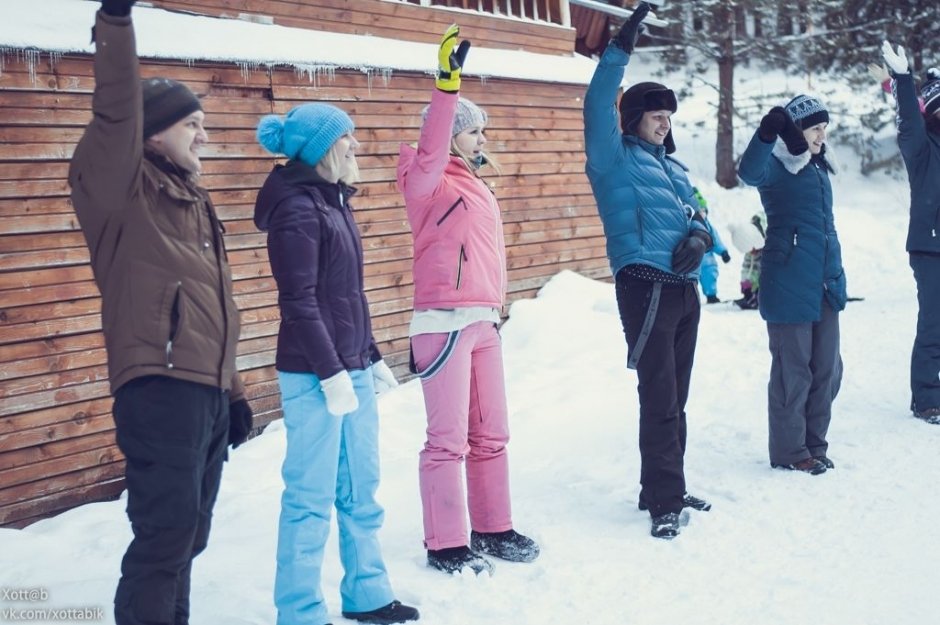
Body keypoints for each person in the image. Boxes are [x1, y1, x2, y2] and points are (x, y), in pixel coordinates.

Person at [67, 1, 253, 623]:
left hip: (201, 393)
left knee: (188, 538)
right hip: (159, 389)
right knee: (164, 540)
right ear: (152, 131)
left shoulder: (192, 203)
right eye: (191, 124)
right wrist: (117, 23)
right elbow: (117, 106)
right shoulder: (120, 189)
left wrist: (232, 393)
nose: (204, 134)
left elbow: (213, 307)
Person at [254, 104, 418, 625]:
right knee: (309, 498)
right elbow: (299, 302)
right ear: (324, 148)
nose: (356, 145)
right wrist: (331, 375)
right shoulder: (297, 209)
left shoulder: (332, 201)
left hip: (351, 368)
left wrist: (369, 358)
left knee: (359, 489)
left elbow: (345, 296)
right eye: (348, 137)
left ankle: (367, 593)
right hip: (313, 375)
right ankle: (299, 612)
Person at [396, 24, 540, 574]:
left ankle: (494, 526)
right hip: (443, 322)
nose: (483, 139)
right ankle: (446, 541)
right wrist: (446, 87)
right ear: (450, 134)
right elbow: (431, 146)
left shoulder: (474, 183)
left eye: (483, 131)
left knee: (492, 433)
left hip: (483, 323)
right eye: (474, 131)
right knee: (447, 439)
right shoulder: (424, 179)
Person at [583, 2, 713, 540]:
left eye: (670, 117)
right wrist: (620, 47)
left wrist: (702, 236)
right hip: (645, 286)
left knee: (675, 396)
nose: (665, 123)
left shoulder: (671, 165)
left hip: (683, 290)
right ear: (633, 117)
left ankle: (663, 486)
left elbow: (698, 207)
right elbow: (595, 103)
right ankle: (664, 501)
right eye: (657, 115)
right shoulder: (611, 158)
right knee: (658, 396)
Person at [737, 95, 847, 475]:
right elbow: (748, 171)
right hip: (788, 279)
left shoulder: (818, 165)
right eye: (816, 127)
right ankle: (790, 450)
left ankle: (815, 443)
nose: (822, 135)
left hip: (824, 280)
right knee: (793, 372)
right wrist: (766, 134)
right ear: (797, 128)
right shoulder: (776, 165)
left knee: (827, 369)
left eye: (824, 128)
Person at [882, 42, 940, 425]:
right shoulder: (920, 146)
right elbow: (909, 122)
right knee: (934, 321)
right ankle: (926, 398)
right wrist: (903, 81)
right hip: (929, 248)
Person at [693, 187, 731, 304]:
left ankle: (711, 295)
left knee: (710, 275)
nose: (702, 214)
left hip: (707, 259)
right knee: (690, 280)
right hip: (693, 259)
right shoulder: (688, 225)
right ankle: (691, 298)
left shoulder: (708, 226)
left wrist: (723, 252)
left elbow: (715, 240)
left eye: (704, 211)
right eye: (699, 211)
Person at [728, 211, 767, 310]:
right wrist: (746, 284)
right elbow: (748, 266)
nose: (752, 253)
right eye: (748, 251)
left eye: (752, 250)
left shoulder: (772, 236)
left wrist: (761, 290)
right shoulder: (751, 243)